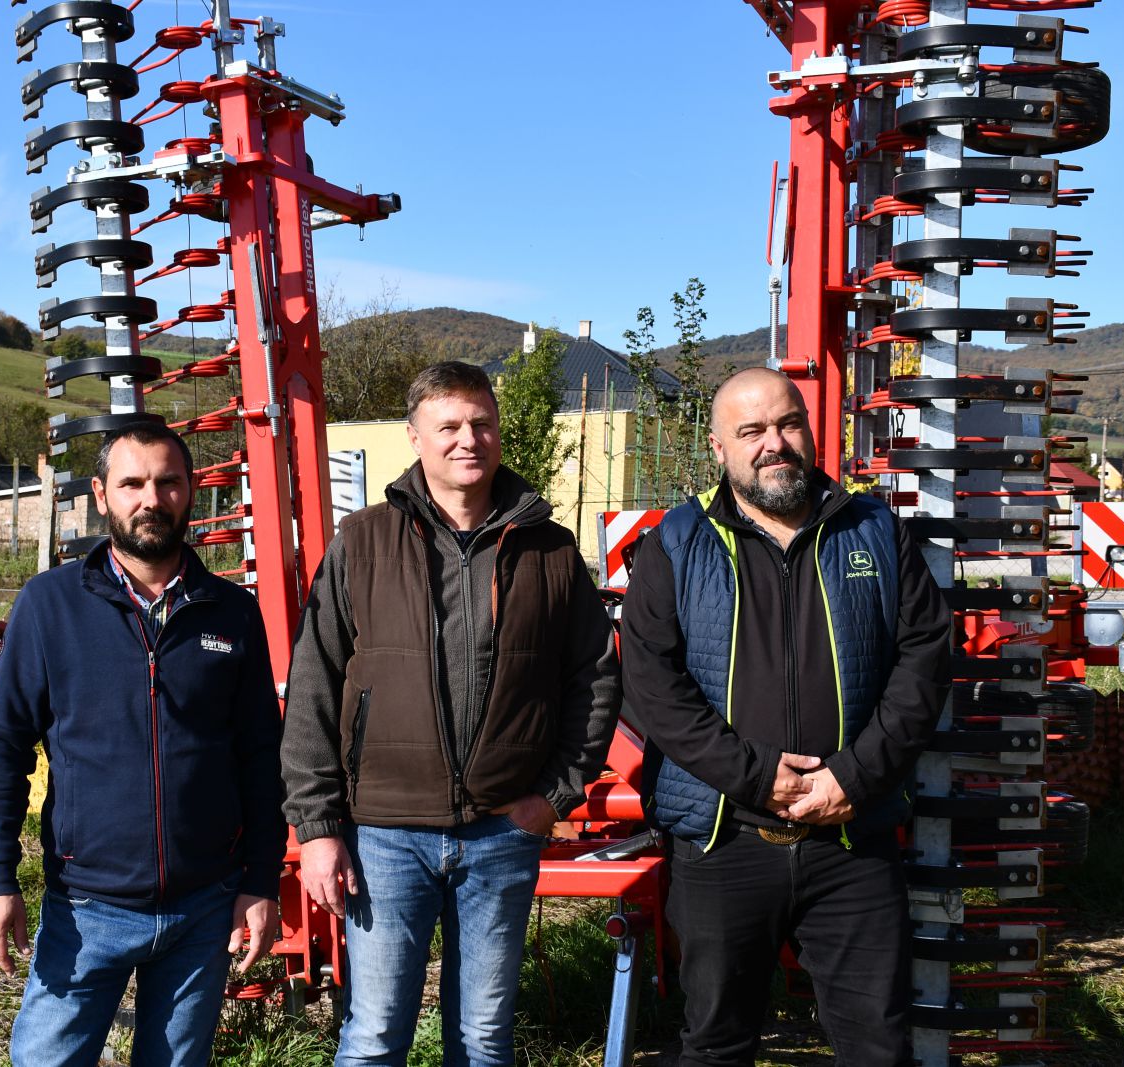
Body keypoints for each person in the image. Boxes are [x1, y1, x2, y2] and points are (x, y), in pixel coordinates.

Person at [282, 361, 621, 1067]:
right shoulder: (363, 542)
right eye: (449, 426)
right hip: (384, 835)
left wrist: (554, 796)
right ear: (415, 437)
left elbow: (594, 678)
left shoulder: (551, 550)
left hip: (503, 829)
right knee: (374, 1035)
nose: (469, 439)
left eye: (481, 423)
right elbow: (314, 685)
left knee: (484, 1038)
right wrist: (316, 828)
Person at [620, 367, 951, 1066]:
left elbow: (923, 663)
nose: (774, 443)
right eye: (751, 431)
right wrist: (754, 776)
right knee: (715, 1044)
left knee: (877, 1046)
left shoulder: (875, 532)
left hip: (851, 842)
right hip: (724, 840)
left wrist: (854, 778)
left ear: (809, 430)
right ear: (719, 447)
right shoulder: (676, 542)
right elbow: (654, 684)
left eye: (787, 423)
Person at [0, 422, 285, 1067]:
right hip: (87, 909)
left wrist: (260, 881)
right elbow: (2, 749)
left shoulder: (231, 611)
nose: (152, 499)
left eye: (168, 483)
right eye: (132, 483)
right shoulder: (50, 606)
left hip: (205, 907)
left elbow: (260, 756)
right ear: (101, 494)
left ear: (191, 490)